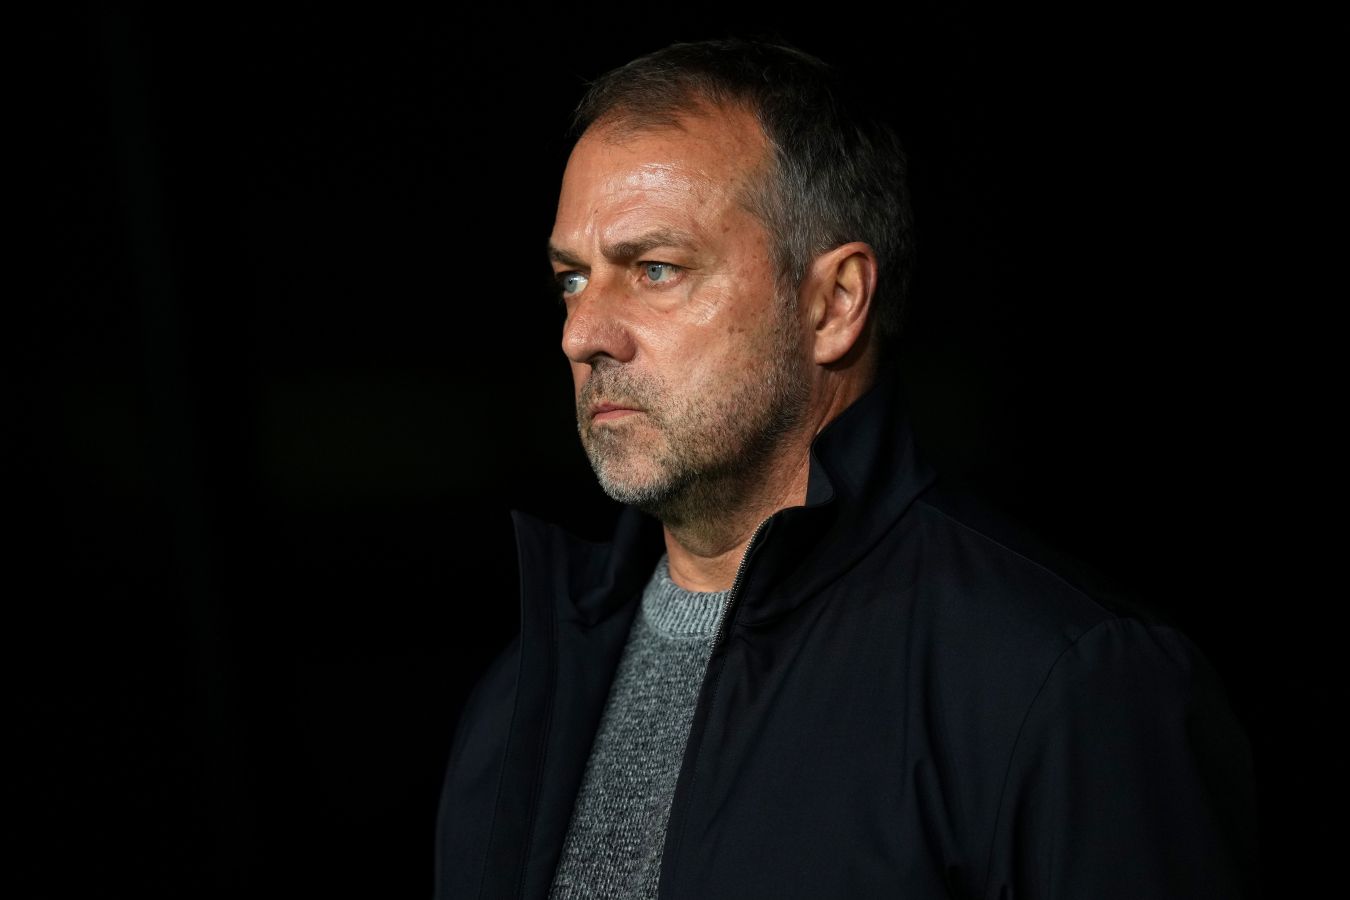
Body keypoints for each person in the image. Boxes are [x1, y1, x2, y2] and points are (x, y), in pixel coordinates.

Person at [434, 38, 1257, 899]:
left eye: (655, 269)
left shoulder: (1060, 683)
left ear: (834, 303)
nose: (582, 334)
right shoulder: (523, 696)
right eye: (572, 280)